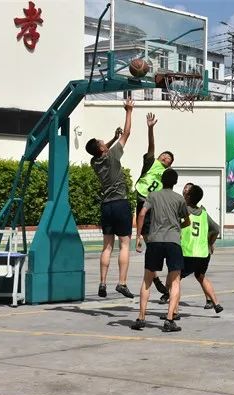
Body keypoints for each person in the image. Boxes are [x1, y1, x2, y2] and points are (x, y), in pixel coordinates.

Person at [85, 98, 135, 299]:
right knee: (125, 244)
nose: (103, 142)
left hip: (106, 206)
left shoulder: (94, 162)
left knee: (107, 246)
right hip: (120, 203)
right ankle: (122, 283)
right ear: (103, 149)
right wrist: (128, 111)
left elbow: (101, 150)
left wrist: (113, 139)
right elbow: (127, 133)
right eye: (102, 142)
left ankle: (102, 283)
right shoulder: (113, 155)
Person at [132, 168, 189, 332]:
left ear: (162, 180)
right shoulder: (179, 199)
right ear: (175, 182)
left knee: (147, 280)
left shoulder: (153, 196)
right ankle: (170, 319)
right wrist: (177, 226)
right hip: (173, 241)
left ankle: (141, 317)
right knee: (175, 281)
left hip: (154, 240)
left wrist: (138, 235)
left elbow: (142, 213)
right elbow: (187, 221)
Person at [133, 112, 175, 297]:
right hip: (143, 199)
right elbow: (151, 146)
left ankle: (156, 276)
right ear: (159, 157)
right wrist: (150, 129)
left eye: (168, 160)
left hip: (155, 206)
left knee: (155, 244)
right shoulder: (151, 163)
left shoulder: (167, 174)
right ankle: (155, 278)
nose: (165, 159)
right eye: (163, 156)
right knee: (150, 243)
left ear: (169, 165)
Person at [180, 184, 223, 313]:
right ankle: (216, 303)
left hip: (188, 253)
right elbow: (216, 229)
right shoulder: (203, 213)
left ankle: (173, 310)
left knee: (174, 279)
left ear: (188, 197)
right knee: (201, 276)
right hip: (203, 254)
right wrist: (210, 242)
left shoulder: (183, 211)